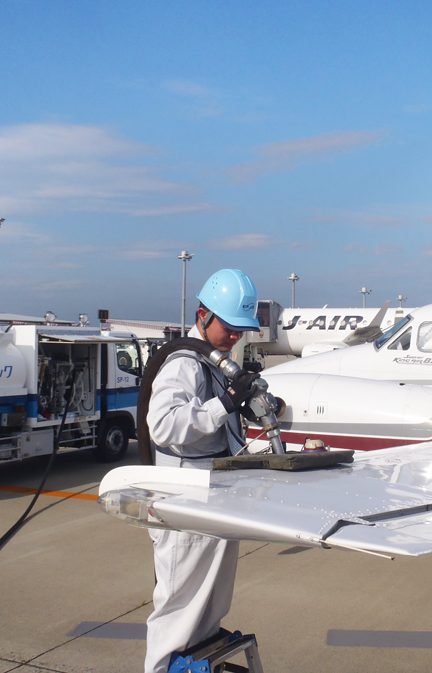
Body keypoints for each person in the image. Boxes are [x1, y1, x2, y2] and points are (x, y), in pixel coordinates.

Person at [144, 268, 261, 673]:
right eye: (229, 328)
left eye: (241, 330)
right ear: (203, 315)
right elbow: (162, 425)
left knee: (210, 601)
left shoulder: (213, 362)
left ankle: (199, 656)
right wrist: (224, 405)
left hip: (212, 496)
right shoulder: (183, 363)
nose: (235, 337)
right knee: (179, 606)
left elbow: (217, 424)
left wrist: (239, 405)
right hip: (185, 502)